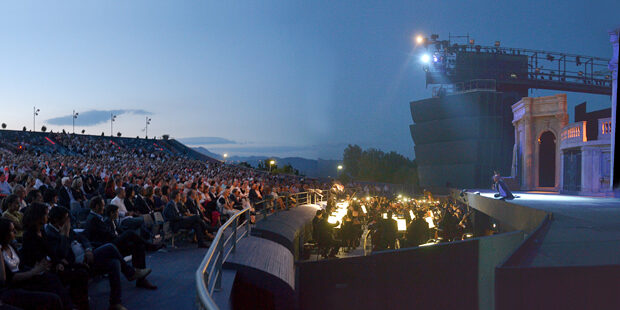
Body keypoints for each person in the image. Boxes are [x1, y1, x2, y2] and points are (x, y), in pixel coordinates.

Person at [45, 207, 150, 310]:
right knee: (110, 247)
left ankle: (115, 302)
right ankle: (130, 273)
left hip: (87, 254)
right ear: (56, 220)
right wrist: (65, 235)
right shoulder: (50, 233)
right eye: (66, 218)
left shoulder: (65, 227)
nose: (68, 220)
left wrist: (88, 249)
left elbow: (82, 237)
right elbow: (62, 254)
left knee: (114, 263)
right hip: (77, 264)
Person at [20, 203, 89, 310]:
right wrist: (55, 264)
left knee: (82, 269)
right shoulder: (29, 235)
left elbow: (50, 251)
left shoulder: (41, 230)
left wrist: (58, 262)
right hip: (39, 270)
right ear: (38, 217)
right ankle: (70, 306)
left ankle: (80, 303)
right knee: (61, 277)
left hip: (51, 264)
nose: (48, 217)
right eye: (46, 215)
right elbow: (36, 256)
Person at [84, 197, 158, 290]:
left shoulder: (98, 217)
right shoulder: (93, 219)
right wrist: (120, 238)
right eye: (102, 205)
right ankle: (151, 247)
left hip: (111, 242)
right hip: (106, 246)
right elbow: (106, 235)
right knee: (130, 233)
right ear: (97, 206)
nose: (104, 207)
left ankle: (141, 280)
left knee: (139, 246)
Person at [0, 218, 73, 310]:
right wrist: (34, 271)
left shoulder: (11, 246)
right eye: (11, 230)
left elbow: (21, 266)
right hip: (13, 286)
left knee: (52, 278)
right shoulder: (1, 251)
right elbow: (8, 279)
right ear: (4, 234)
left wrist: (39, 269)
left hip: (24, 277)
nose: (15, 231)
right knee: (53, 298)